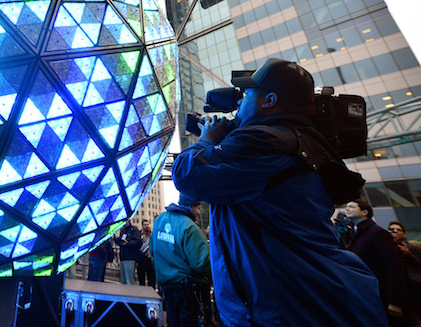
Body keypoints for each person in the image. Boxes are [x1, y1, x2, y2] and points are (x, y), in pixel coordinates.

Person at [171, 58, 388, 326]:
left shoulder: (266, 140)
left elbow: (188, 175)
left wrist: (206, 139)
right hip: (313, 297)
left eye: (248, 92)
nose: (240, 100)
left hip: (283, 308)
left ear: (269, 100)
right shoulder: (299, 139)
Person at [346, 200, 409, 325]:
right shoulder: (355, 233)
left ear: (364, 212)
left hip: (383, 293)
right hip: (368, 292)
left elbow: (393, 266)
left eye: (351, 206)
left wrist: (394, 300)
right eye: (346, 206)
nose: (346, 209)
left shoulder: (378, 233)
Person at [151, 194, 210, 327]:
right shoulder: (190, 228)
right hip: (186, 289)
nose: (199, 212)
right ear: (190, 207)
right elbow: (201, 265)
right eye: (198, 207)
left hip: (166, 286)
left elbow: (153, 251)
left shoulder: (160, 220)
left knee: (172, 321)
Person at [388, 221, 421, 325]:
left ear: (404, 233)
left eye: (398, 230)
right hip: (397, 288)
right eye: (392, 229)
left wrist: (408, 254)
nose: (395, 232)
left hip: (413, 287)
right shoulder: (387, 248)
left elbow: (419, 265)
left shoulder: (412, 247)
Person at [137, 219, 156, 288]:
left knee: (151, 280)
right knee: (142, 281)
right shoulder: (139, 235)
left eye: (147, 224)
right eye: (145, 225)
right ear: (142, 226)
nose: (147, 226)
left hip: (150, 260)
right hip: (142, 260)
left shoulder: (152, 234)